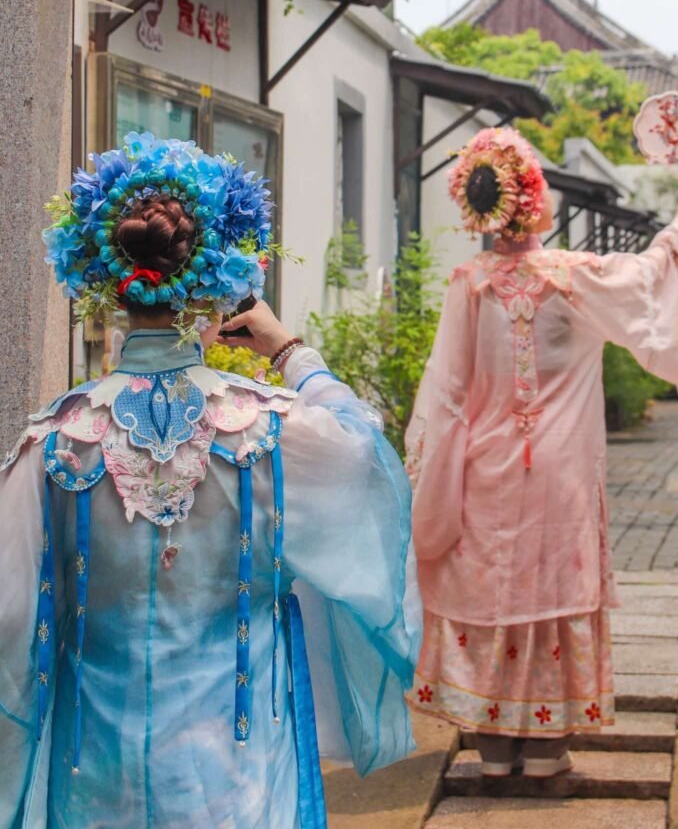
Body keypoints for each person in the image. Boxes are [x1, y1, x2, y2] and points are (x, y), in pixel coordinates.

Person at [0, 132, 421, 829]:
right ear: (216, 279)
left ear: (103, 278)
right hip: (238, 765)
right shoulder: (267, 428)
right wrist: (290, 352)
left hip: (99, 767)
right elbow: (364, 455)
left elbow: (11, 613)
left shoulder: (56, 440)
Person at [406, 127, 678, 777]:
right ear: (533, 199)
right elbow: (649, 279)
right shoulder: (573, 279)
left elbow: (445, 394)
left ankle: (493, 751)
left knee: (491, 591)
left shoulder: (467, 285)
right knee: (548, 590)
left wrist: (426, 468)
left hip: (480, 471)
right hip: (558, 475)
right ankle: (547, 751)